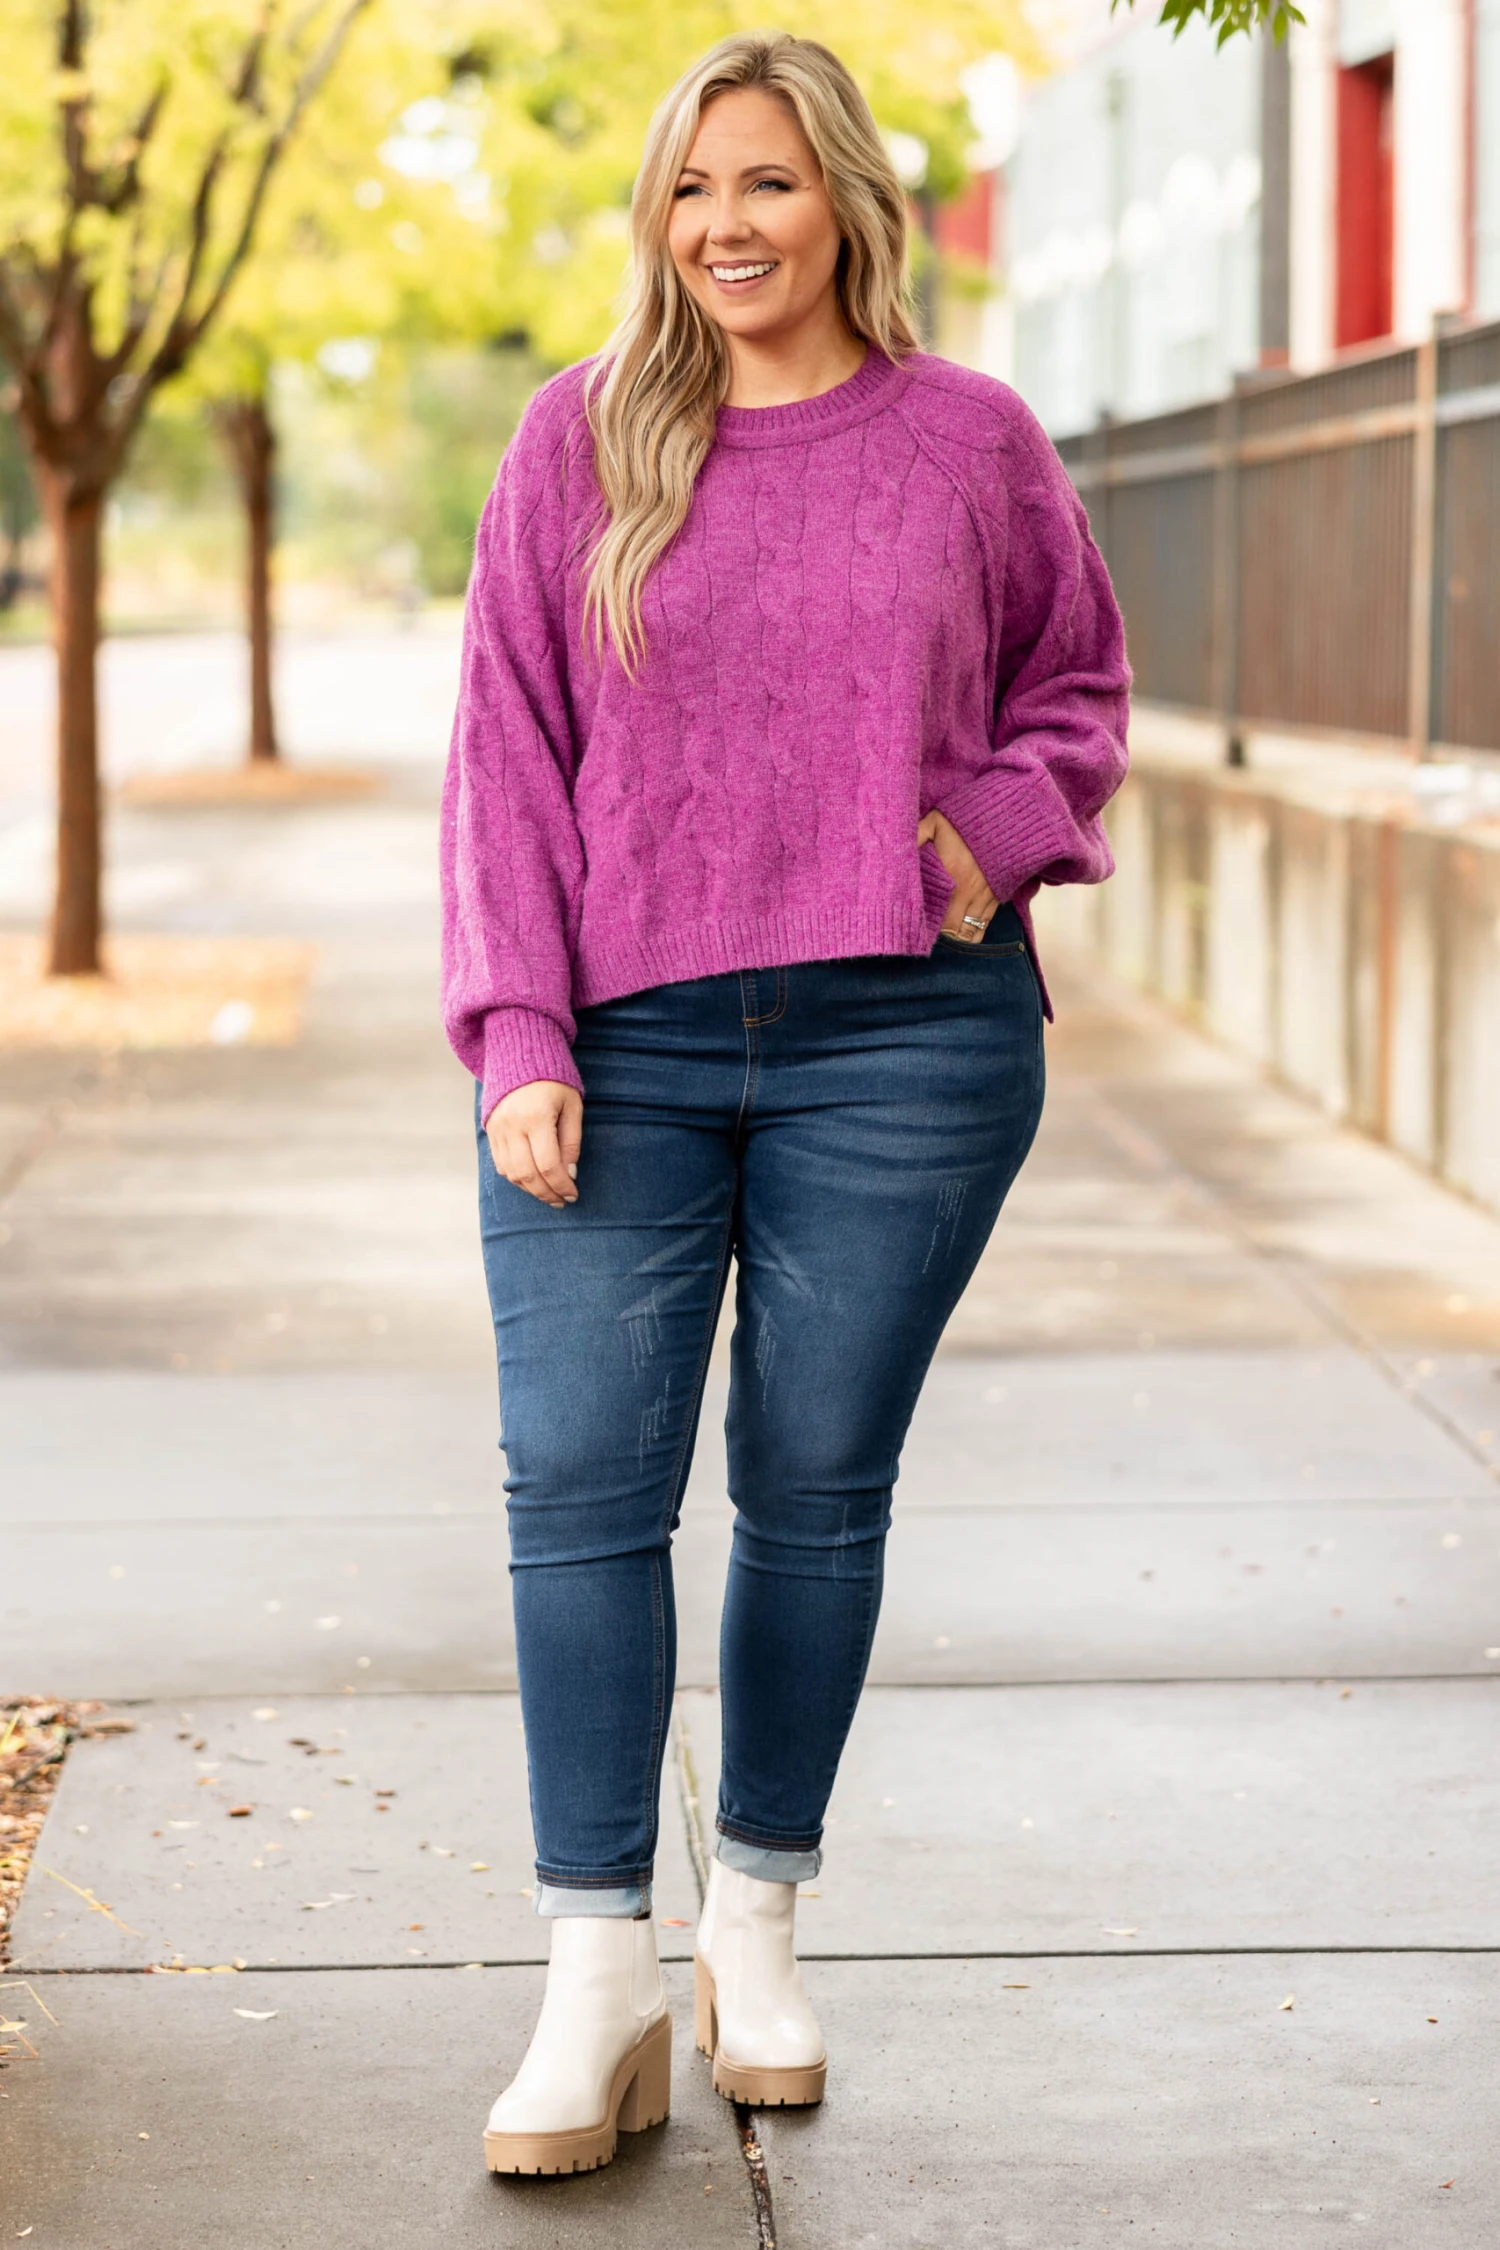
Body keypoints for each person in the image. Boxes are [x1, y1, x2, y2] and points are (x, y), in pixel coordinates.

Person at [441, 29, 1129, 2178]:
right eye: (686, 190)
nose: (723, 226)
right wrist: (519, 1032)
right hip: (622, 1043)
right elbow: (505, 756)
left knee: (817, 1490)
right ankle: (594, 1984)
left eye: (763, 183)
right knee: (578, 1487)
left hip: (902, 1046)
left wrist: (979, 839)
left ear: (844, 201)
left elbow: (1079, 689)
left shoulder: (970, 441)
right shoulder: (581, 441)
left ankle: (754, 1929)